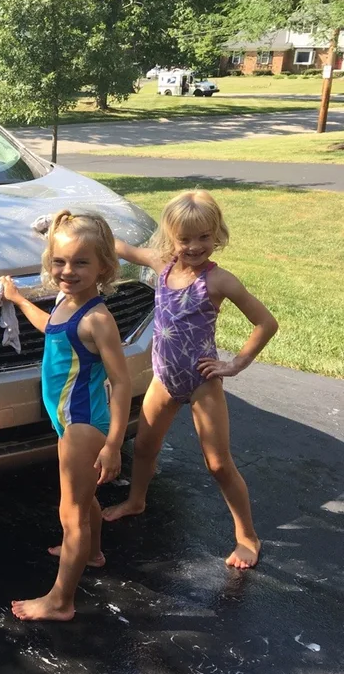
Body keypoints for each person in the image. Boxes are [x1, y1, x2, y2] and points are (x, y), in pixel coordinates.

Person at [102, 190, 276, 570]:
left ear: (217, 235)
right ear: (170, 237)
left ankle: (247, 536)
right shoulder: (160, 264)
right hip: (164, 379)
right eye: (185, 238)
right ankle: (136, 500)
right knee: (145, 448)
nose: (195, 247)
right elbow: (118, 247)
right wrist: (60, 225)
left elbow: (266, 323)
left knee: (218, 464)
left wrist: (235, 364)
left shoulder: (219, 281)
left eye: (204, 237)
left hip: (201, 383)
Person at [0, 211, 132, 621]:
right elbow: (51, 329)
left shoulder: (97, 319)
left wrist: (113, 445)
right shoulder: (66, 305)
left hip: (84, 424)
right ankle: (91, 553)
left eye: (81, 263)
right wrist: (20, 299)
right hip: (68, 420)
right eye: (59, 262)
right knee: (84, 499)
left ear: (104, 268)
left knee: (70, 514)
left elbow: (123, 383)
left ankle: (60, 601)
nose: (67, 271)